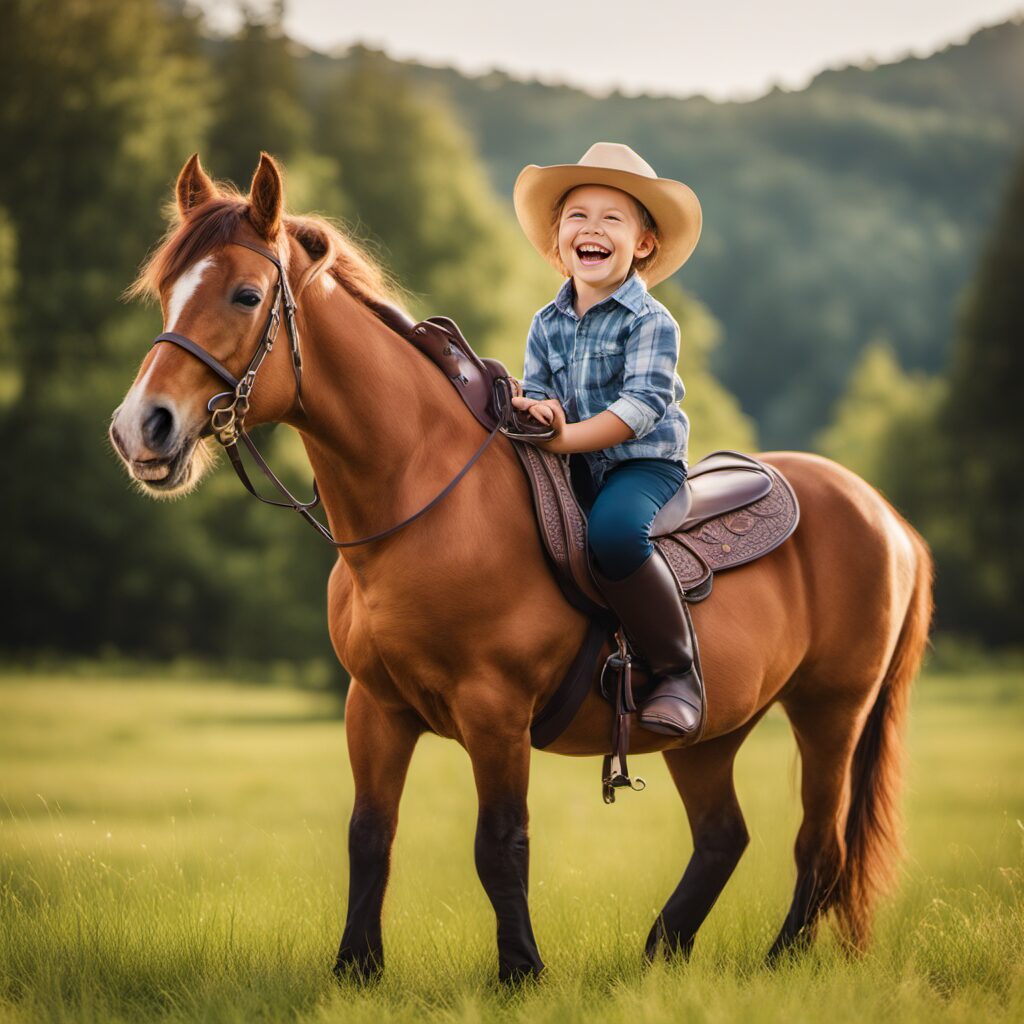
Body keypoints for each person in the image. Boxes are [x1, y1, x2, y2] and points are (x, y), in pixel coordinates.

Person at [510, 142, 705, 738]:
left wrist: (563, 439)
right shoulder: (546, 321)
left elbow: (641, 407)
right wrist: (534, 410)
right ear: (559, 238)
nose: (592, 229)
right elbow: (541, 391)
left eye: (612, 218)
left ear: (643, 244)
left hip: (641, 467)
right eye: (577, 216)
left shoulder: (651, 321)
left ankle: (677, 670)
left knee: (615, 535)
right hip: (574, 463)